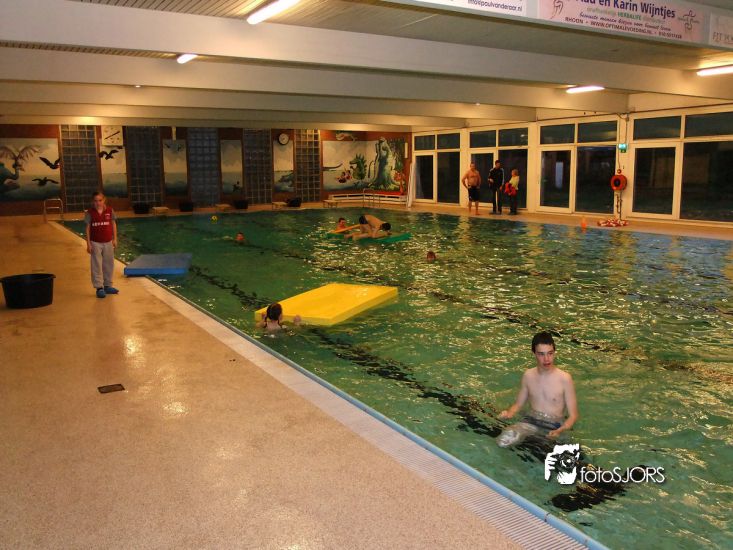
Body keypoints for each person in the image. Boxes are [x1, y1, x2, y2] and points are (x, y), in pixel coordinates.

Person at [496, 332, 578, 447]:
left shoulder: (565, 379)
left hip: (555, 426)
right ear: (534, 353)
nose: (546, 359)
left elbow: (573, 415)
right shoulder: (528, 375)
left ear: (554, 352)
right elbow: (518, 404)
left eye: (550, 353)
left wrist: (560, 430)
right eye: (541, 354)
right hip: (531, 421)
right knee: (503, 441)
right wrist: (509, 413)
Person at [84, 191, 118, 299]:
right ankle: (99, 287)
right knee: (96, 265)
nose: (98, 203)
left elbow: (113, 224)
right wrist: (88, 243)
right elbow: (87, 228)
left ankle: (107, 285)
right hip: (95, 242)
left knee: (109, 264)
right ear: (92, 202)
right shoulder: (90, 213)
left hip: (108, 242)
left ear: (104, 200)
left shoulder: (110, 210)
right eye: (95, 201)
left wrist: (115, 239)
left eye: (100, 200)